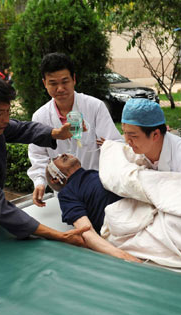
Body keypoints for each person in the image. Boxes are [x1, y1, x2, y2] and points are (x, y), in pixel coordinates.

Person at [0, 73, 88, 246]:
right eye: (0, 114)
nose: (6, 119)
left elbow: (22, 129)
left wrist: (57, 134)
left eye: (8, 111)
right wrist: (59, 236)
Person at [28, 52, 122, 207]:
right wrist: (39, 183)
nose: (60, 89)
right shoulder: (40, 116)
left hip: (98, 189)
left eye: (65, 81)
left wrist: (111, 146)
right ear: (44, 83)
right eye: (53, 83)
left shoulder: (94, 107)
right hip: (65, 195)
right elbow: (38, 156)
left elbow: (115, 144)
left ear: (74, 79)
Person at [46, 154, 141, 262]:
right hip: (129, 227)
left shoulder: (98, 173)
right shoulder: (66, 193)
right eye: (55, 159)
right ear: (55, 179)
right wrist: (126, 257)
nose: (62, 154)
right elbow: (86, 232)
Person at [121, 98, 181, 182]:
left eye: (133, 136)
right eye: (124, 133)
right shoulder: (131, 152)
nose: (127, 141)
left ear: (155, 135)